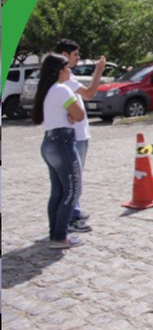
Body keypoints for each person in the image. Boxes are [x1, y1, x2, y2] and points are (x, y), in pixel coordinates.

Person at [32, 54, 87, 249]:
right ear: (59, 71)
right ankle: (60, 236)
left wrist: (70, 116)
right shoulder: (62, 89)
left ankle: (54, 233)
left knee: (57, 191)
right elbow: (79, 114)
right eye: (67, 68)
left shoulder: (46, 91)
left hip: (49, 143)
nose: (70, 71)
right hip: (63, 142)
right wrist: (72, 116)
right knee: (73, 190)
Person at [54, 38, 106, 233]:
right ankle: (72, 217)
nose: (78, 58)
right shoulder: (66, 77)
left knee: (73, 178)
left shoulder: (66, 76)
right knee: (73, 180)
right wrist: (99, 70)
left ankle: (74, 210)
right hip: (73, 136)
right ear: (65, 55)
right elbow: (90, 93)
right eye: (76, 55)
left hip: (78, 133)